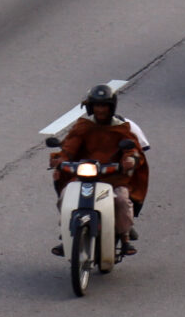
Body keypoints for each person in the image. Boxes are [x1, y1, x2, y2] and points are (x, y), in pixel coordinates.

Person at [52, 83, 149, 257]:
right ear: (91, 106)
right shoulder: (83, 125)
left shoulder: (121, 127)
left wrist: (130, 160)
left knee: (121, 200)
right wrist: (60, 160)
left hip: (114, 176)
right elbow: (69, 147)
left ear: (111, 107)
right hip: (84, 175)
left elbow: (133, 149)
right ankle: (67, 234)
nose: (100, 110)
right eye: (97, 105)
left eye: (104, 105)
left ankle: (125, 238)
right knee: (66, 195)